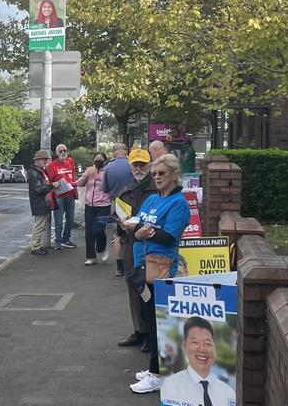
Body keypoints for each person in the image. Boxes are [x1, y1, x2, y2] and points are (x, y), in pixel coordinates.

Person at [130, 153, 192, 395]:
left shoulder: (179, 203)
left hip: (162, 268)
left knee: (159, 322)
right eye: (154, 173)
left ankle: (157, 374)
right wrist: (134, 229)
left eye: (162, 174)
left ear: (174, 176)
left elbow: (169, 236)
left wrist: (147, 232)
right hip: (141, 266)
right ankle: (154, 368)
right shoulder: (152, 199)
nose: (157, 177)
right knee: (149, 316)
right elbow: (136, 224)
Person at [113, 148, 156, 349]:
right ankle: (139, 331)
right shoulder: (126, 191)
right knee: (134, 289)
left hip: (153, 247)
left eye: (142, 164)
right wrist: (120, 229)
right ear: (130, 166)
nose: (139, 168)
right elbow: (118, 217)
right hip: (131, 247)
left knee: (150, 290)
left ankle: (151, 335)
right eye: (135, 164)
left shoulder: (157, 190)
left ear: (149, 165)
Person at [159, 316, 234, 406]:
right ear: (184, 345)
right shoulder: (171, 386)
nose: (202, 349)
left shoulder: (228, 393)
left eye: (208, 343)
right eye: (195, 342)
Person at [102, 143, 133, 276]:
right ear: (126, 151)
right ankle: (132, 264)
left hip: (117, 203)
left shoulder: (108, 167)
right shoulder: (133, 165)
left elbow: (104, 189)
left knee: (118, 234)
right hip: (134, 200)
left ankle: (119, 267)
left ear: (114, 152)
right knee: (134, 231)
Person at [77, 151, 112, 265]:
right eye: (96, 159)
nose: (98, 161)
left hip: (103, 205)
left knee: (98, 229)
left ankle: (102, 248)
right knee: (89, 232)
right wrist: (87, 175)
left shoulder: (107, 171)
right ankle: (91, 257)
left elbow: (109, 186)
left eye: (100, 159)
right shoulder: (89, 170)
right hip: (90, 205)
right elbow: (80, 183)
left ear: (104, 161)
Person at [48, 144, 78, 250]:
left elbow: (73, 176)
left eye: (64, 150)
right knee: (59, 221)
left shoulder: (70, 162)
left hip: (70, 194)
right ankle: (58, 242)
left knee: (70, 219)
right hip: (59, 196)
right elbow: (50, 181)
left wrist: (74, 183)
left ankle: (66, 239)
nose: (62, 153)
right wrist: (56, 183)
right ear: (56, 153)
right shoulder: (52, 165)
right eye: (60, 151)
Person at [26, 149, 53, 255]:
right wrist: (51, 186)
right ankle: (35, 246)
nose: (46, 162)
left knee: (40, 226)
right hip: (39, 203)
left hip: (43, 202)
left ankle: (36, 245)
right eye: (44, 160)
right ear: (38, 160)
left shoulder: (40, 172)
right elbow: (38, 189)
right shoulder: (34, 173)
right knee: (39, 226)